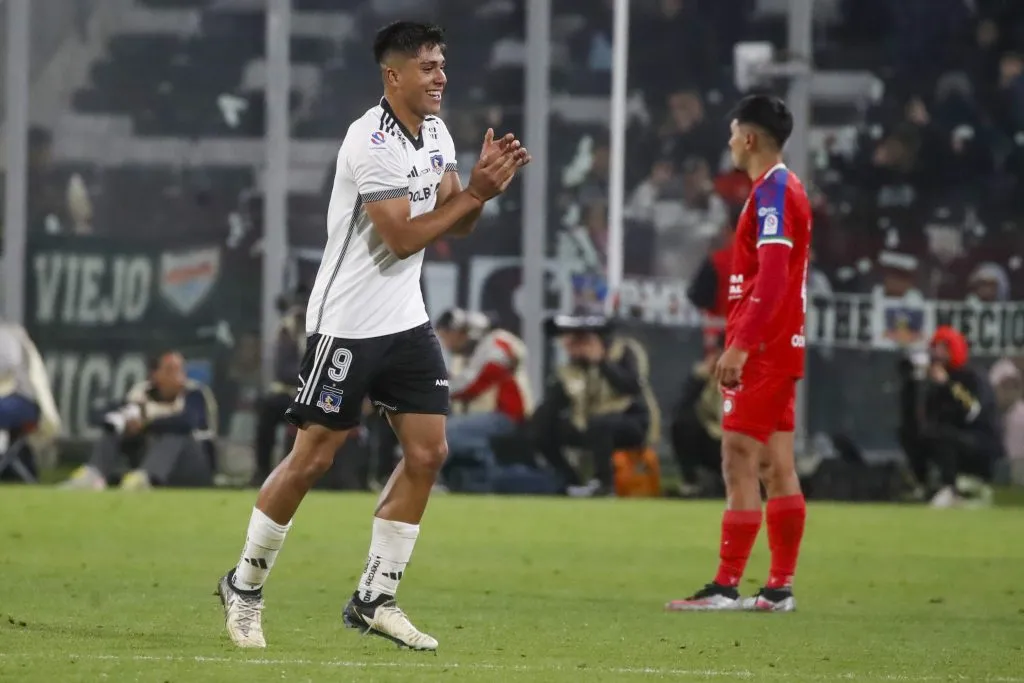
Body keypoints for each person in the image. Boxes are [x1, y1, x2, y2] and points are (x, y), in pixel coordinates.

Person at [215, 21, 530, 651]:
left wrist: (481, 193)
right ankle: (243, 586)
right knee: (313, 458)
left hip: (406, 320)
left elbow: (456, 225)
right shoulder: (370, 140)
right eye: (428, 67)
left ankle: (374, 598)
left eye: (442, 65)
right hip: (347, 324)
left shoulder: (436, 133)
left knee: (428, 454)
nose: (441, 77)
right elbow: (404, 237)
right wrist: (474, 192)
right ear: (394, 75)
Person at [666, 95, 811, 613]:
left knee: (738, 458)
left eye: (733, 133)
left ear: (748, 138)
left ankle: (727, 586)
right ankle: (778, 589)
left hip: (764, 346)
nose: (729, 142)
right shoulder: (777, 190)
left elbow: (771, 278)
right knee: (775, 463)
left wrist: (741, 345)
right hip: (780, 342)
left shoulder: (774, 192)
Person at [532, 315, 657, 497]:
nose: (576, 345)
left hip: (632, 420)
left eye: (582, 339)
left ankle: (604, 485)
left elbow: (631, 386)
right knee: (540, 424)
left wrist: (601, 361)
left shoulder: (625, 351)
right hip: (589, 423)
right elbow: (556, 402)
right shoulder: (572, 368)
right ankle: (568, 480)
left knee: (601, 424)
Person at [62, 350, 217, 490]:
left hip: (191, 466)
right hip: (150, 460)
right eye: (170, 371)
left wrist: (145, 424)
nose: (179, 377)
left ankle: (144, 478)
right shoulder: (141, 394)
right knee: (115, 427)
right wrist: (126, 423)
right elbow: (102, 413)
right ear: (155, 375)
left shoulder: (195, 394)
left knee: (174, 434)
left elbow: (187, 422)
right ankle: (94, 473)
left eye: (181, 370)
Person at [902, 327, 1002, 507]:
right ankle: (922, 484)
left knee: (944, 435)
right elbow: (926, 416)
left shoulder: (972, 376)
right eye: (935, 347)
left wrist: (947, 384)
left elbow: (972, 410)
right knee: (912, 434)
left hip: (980, 440)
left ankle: (950, 488)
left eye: (943, 348)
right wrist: (915, 383)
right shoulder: (935, 381)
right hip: (951, 437)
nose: (937, 353)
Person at [438, 309, 532, 493]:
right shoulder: (464, 356)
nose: (446, 344)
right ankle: (474, 481)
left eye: (448, 336)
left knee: (446, 431)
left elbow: (472, 384)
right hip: (487, 416)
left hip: (506, 415)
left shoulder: (497, 343)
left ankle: (436, 481)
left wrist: (433, 390)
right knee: (451, 430)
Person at [251, 287, 308, 487]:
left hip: (317, 394)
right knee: (267, 409)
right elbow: (283, 370)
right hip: (291, 392)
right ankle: (262, 471)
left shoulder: (325, 327)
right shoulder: (287, 330)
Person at [670, 332, 725, 497]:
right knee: (683, 424)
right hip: (715, 440)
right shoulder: (706, 375)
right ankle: (691, 483)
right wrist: (699, 379)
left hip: (744, 441)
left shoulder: (753, 374)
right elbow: (682, 406)